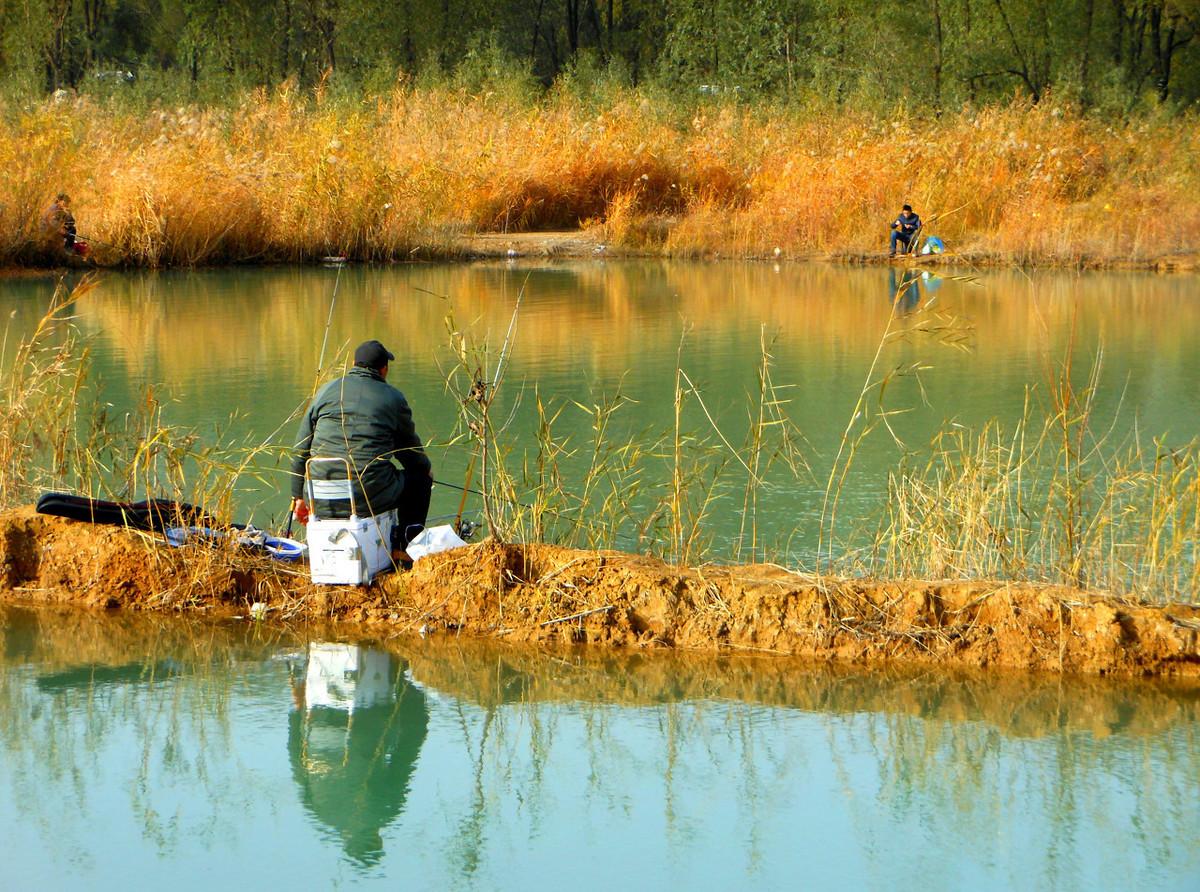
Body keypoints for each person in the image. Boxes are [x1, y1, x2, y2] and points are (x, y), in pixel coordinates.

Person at [290, 339, 432, 561]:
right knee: (420, 480)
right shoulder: (393, 398)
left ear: (354, 363)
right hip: (367, 497)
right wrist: (425, 469)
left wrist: (298, 496)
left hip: (319, 497)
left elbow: (300, 450)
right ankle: (405, 548)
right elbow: (410, 453)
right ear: (384, 369)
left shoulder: (325, 391)